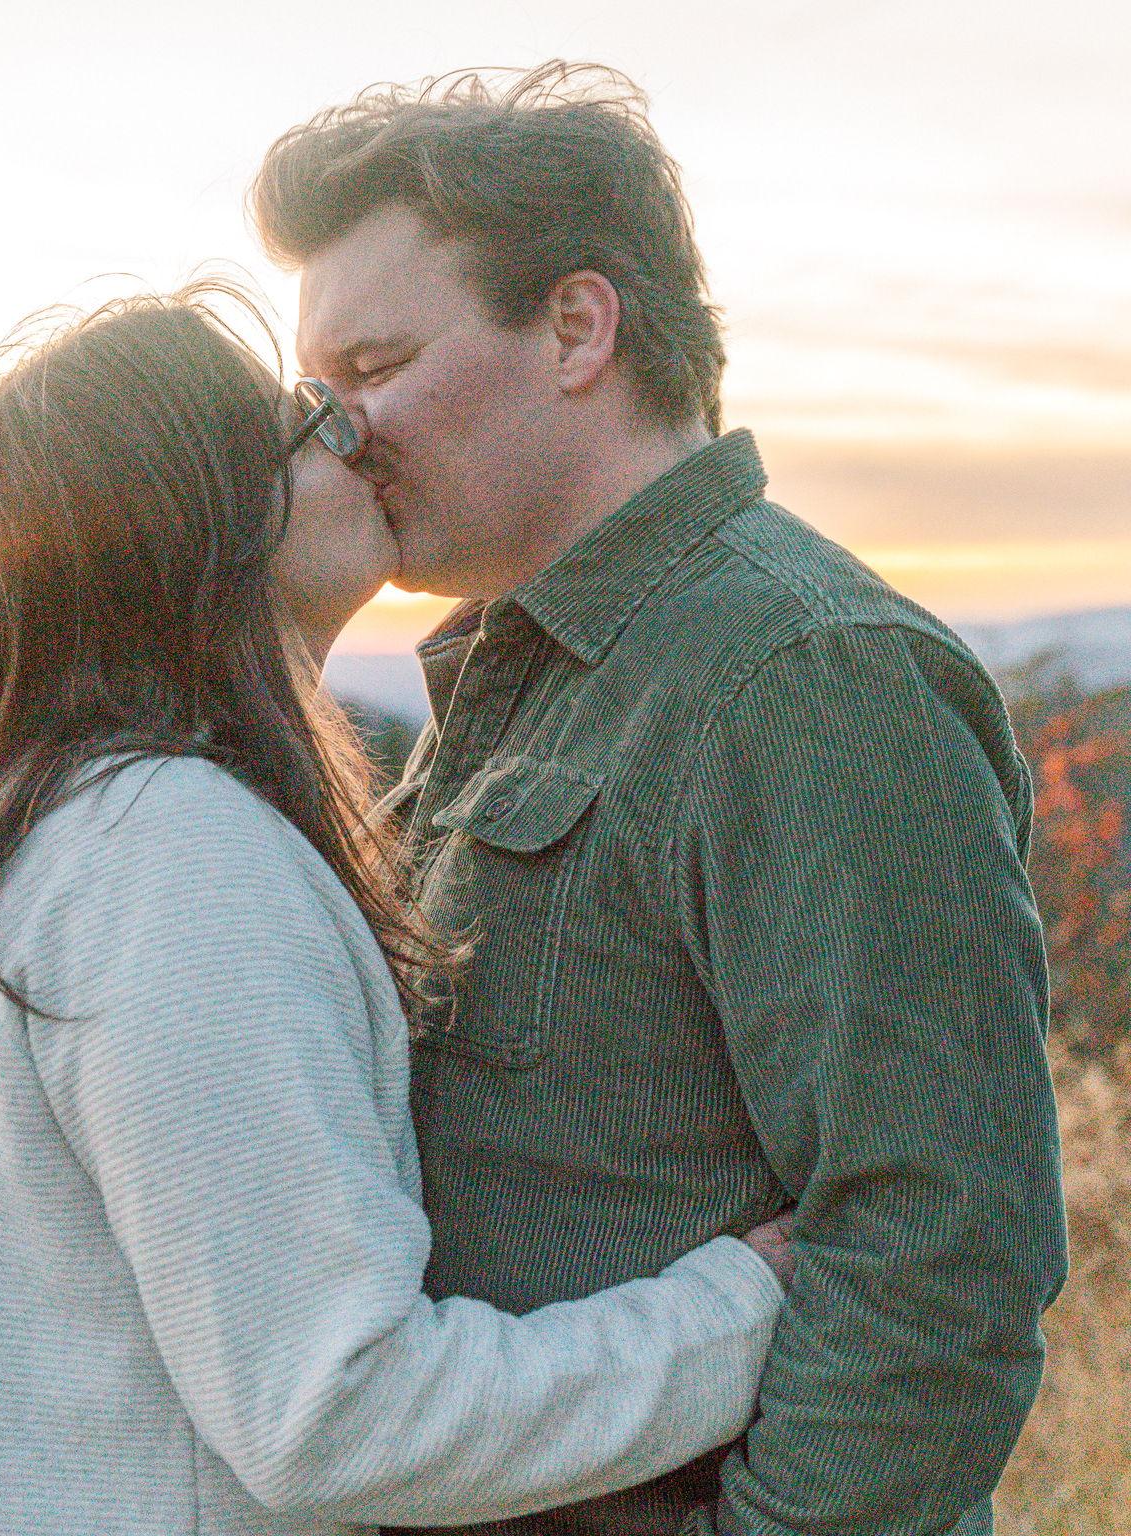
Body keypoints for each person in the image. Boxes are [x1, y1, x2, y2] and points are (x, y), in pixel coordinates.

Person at [0, 285, 796, 1536]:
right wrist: (739, 1305)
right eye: (297, 422)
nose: (348, 433)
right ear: (194, 523)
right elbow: (342, 1415)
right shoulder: (170, 853)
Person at [251, 61, 1069, 1536]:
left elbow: (939, 1252)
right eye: (321, 391)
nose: (339, 432)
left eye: (373, 368)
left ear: (577, 327)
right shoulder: (523, 680)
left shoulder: (809, 677)